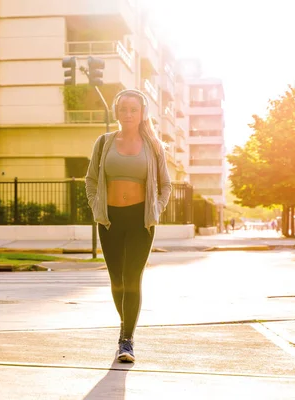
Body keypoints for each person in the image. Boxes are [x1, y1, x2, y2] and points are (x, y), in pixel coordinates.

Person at [85, 89, 172, 363]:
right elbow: (90, 180)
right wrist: (96, 206)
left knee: (132, 280)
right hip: (110, 220)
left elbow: (166, 184)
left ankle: (126, 340)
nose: (128, 114)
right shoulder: (104, 142)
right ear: (117, 112)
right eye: (123, 109)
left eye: (133, 109)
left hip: (139, 221)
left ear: (142, 112)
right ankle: (127, 326)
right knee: (117, 282)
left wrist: (156, 208)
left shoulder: (154, 146)